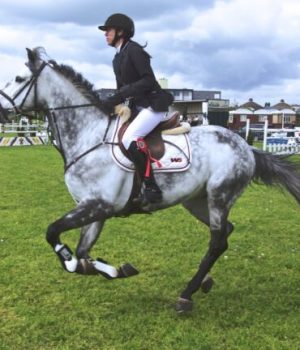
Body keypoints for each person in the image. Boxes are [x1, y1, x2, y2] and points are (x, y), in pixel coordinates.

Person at [98, 13, 173, 203]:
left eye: (108, 31)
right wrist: (109, 104)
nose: (105, 34)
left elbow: (148, 80)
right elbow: (120, 90)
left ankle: (151, 186)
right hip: (137, 107)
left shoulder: (135, 50)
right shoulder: (117, 57)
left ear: (120, 32)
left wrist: (121, 95)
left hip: (153, 105)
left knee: (129, 137)